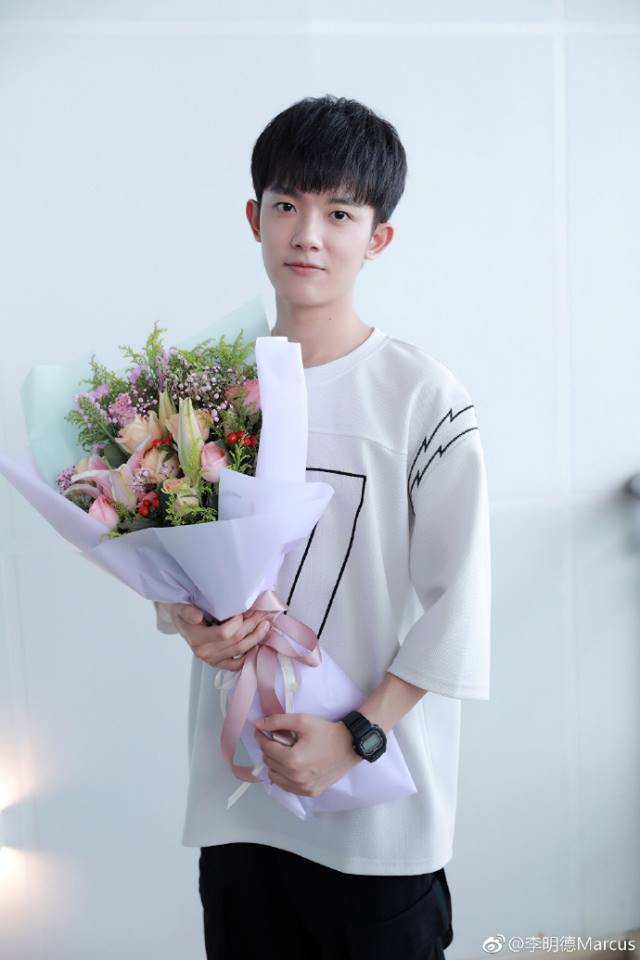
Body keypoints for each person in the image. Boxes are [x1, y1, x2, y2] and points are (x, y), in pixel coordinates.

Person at [154, 94, 491, 959]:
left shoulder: (421, 397)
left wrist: (356, 739)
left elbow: (461, 609)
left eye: (339, 213)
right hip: (240, 801)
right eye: (287, 205)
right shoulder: (205, 391)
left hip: (375, 819)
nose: (308, 235)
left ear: (378, 237)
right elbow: (170, 565)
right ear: (254, 218)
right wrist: (193, 626)